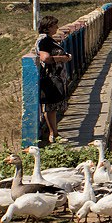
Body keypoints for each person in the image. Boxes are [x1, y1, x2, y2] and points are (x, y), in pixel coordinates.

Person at [35, 15, 72, 143]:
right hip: (51, 78)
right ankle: (53, 134)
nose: (57, 27)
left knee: (53, 107)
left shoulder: (48, 39)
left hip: (55, 77)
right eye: (55, 25)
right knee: (50, 107)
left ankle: (54, 133)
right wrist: (62, 58)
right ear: (48, 27)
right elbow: (45, 58)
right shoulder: (44, 41)